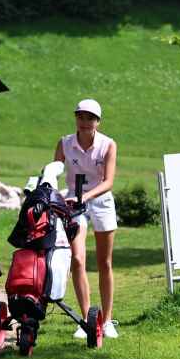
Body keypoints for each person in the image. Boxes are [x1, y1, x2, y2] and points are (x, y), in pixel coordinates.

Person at [54, 98, 120, 339]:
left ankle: (108, 320)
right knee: (77, 259)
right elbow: (54, 170)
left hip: (100, 202)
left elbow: (108, 181)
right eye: (81, 117)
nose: (84, 122)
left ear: (97, 122)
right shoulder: (64, 143)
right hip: (74, 203)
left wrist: (87, 196)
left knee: (105, 262)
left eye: (90, 118)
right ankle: (87, 322)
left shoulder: (108, 145)